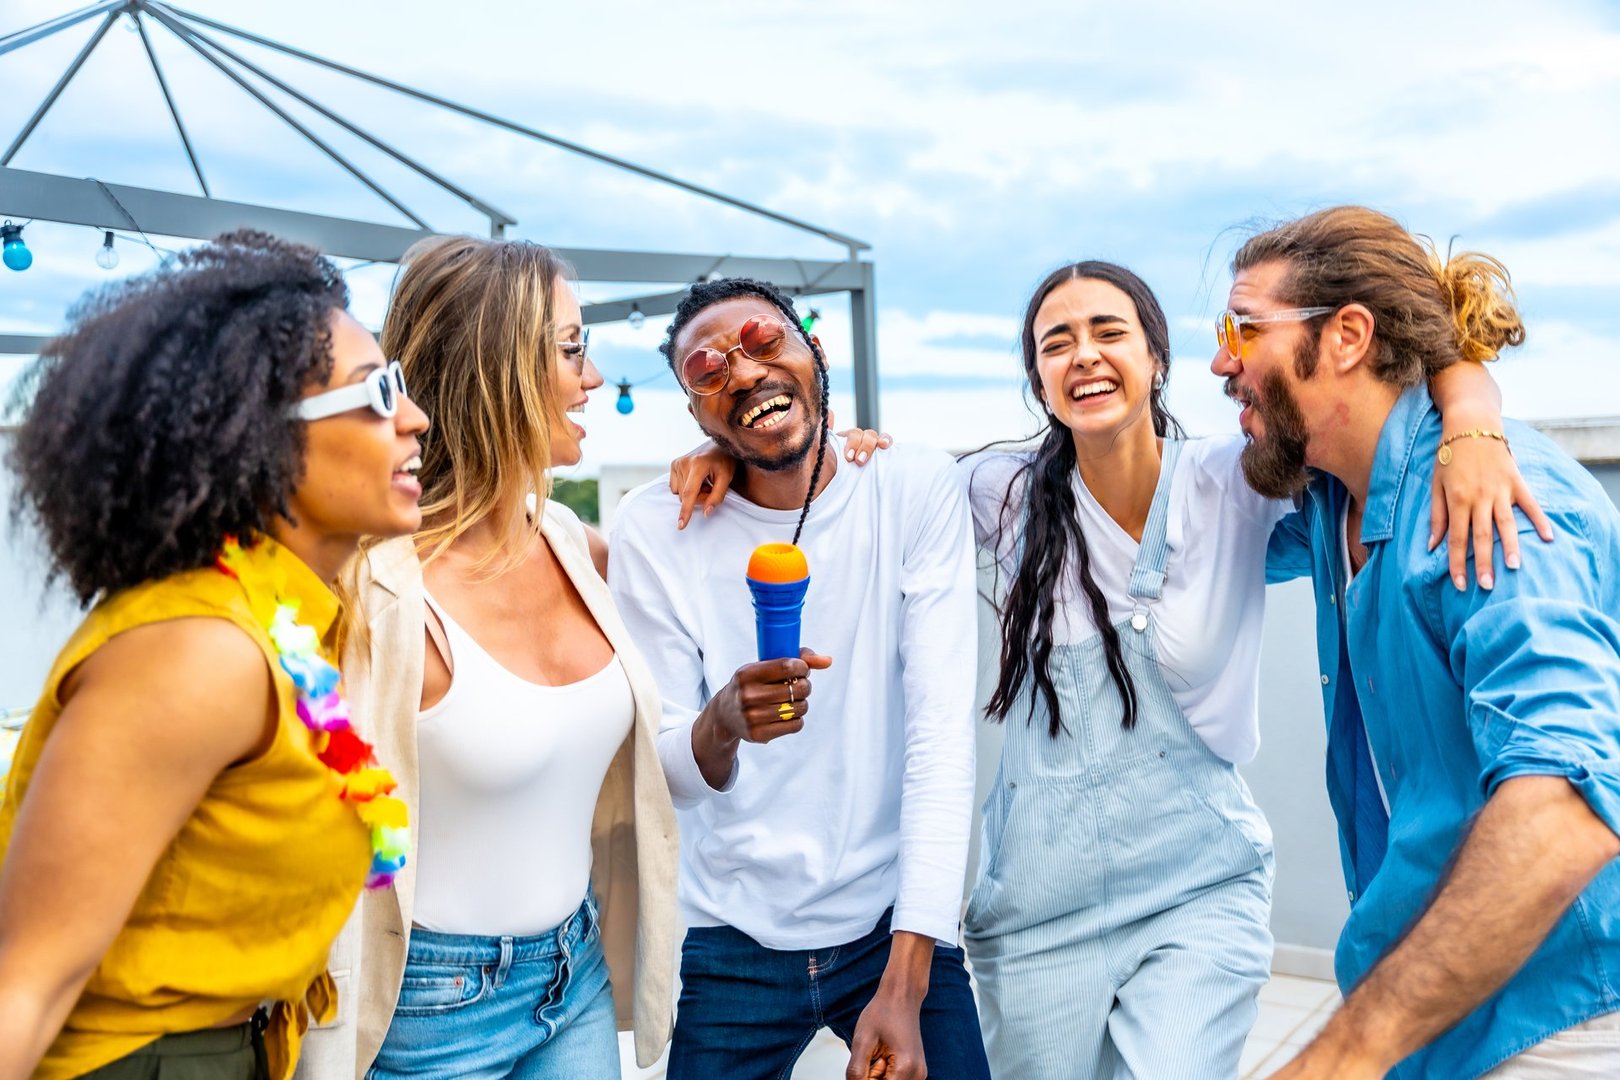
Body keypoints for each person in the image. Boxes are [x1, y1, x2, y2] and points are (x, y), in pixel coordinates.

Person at [959, 258, 1539, 1079]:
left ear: (1157, 358)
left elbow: (1387, 396)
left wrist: (1475, 417)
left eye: (1108, 332)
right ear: (1039, 380)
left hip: (1196, 891)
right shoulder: (996, 493)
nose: (1083, 354)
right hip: (1036, 911)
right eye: (1057, 344)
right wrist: (721, 464)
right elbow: (852, 503)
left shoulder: (1233, 485)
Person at [0, 232, 428, 1080]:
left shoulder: (289, 617)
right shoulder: (198, 652)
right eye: (374, 392)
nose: (413, 417)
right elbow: (25, 983)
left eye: (403, 387)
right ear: (257, 436)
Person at [1212, 206, 1620, 1079]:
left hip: (1560, 1022)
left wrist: (1343, 1056)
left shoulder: (1495, 510)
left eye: (1244, 328)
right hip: (1438, 1012)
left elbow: (1564, 809)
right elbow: (1162, 514)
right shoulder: (1330, 502)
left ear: (1349, 335)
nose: (1222, 360)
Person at [295, 235, 679, 1080]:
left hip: (573, 982)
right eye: (573, 348)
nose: (594, 377)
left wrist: (829, 457)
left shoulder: (578, 547)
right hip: (425, 1013)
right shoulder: (373, 592)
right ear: (498, 366)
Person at [609, 277, 990, 1080]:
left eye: (761, 340)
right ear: (696, 416)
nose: (742, 372)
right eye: (707, 371)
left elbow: (940, 739)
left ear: (814, 352)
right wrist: (721, 721)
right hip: (732, 941)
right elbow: (670, 773)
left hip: (893, 925)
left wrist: (908, 976)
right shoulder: (656, 527)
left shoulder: (911, 487)